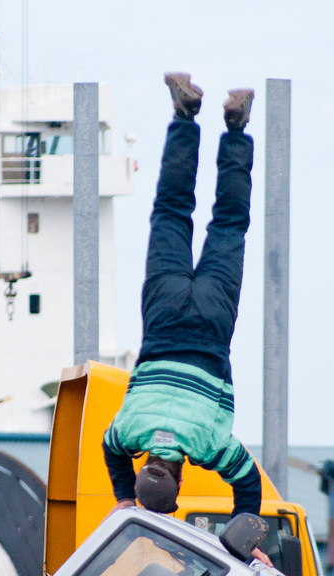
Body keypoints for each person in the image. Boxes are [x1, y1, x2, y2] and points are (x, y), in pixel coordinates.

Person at [102, 73, 261, 521]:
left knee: (229, 224)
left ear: (180, 478)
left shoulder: (209, 447)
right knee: (172, 212)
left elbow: (247, 484)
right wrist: (123, 496)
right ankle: (184, 115)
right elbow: (109, 449)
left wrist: (248, 542)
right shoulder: (128, 433)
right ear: (146, 467)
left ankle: (236, 128)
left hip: (212, 321)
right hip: (164, 313)